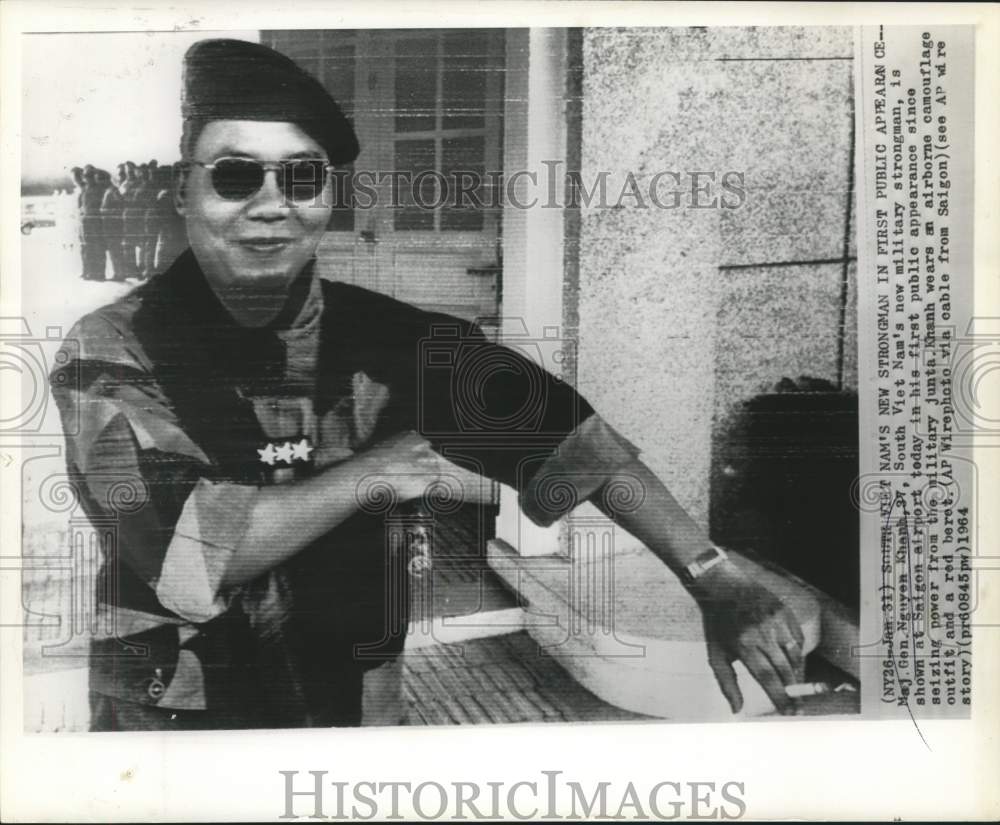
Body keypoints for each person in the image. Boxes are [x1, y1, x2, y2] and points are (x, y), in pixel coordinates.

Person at [51, 38, 805, 731]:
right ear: (185, 194)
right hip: (182, 722)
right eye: (237, 174)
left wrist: (710, 572)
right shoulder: (114, 348)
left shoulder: (393, 339)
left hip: (353, 704)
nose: (272, 202)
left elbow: (575, 442)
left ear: (328, 199)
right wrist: (383, 469)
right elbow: (184, 553)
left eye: (303, 177)